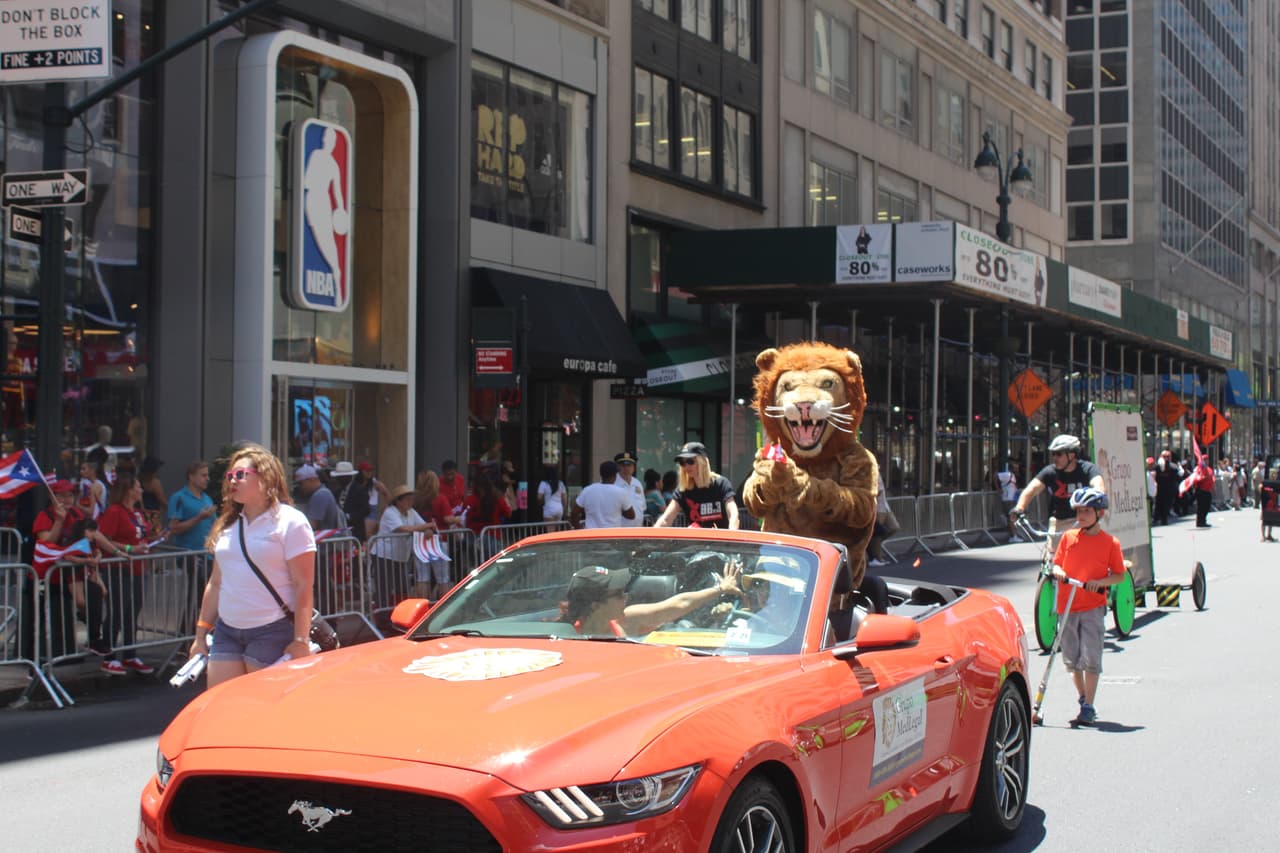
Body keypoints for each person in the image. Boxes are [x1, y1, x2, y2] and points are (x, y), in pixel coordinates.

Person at [189, 444, 316, 689]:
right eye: (229, 476)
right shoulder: (227, 524)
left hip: (272, 630)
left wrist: (300, 639)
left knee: (263, 709)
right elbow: (215, 583)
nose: (232, 481)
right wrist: (200, 635)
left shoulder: (291, 522)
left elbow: (304, 585)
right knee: (221, 707)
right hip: (227, 631)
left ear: (265, 477)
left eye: (240, 475)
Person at [1050, 487, 1127, 726]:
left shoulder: (1110, 543)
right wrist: (1059, 572)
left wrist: (1099, 582)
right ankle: (1082, 696)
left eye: (1086, 511)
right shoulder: (1068, 538)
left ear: (1099, 514)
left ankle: (1089, 705)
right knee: (1071, 658)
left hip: (1093, 606)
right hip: (1068, 604)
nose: (1081, 515)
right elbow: (1055, 565)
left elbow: (1119, 575)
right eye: (1079, 511)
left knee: (1091, 657)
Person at [563, 561, 742, 636]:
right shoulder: (563, 636)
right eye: (618, 593)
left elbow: (679, 604)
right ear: (595, 605)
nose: (626, 597)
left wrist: (720, 588)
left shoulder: (626, 619)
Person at [97, 472, 156, 675]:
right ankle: (109, 656)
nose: (141, 490)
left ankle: (130, 654)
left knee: (132, 611)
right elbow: (103, 538)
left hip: (137, 569)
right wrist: (129, 550)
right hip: (117, 569)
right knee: (117, 611)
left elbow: (142, 534)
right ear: (129, 490)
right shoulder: (115, 511)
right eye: (138, 487)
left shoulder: (136, 512)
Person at [1009, 434, 1105, 527]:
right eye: (1053, 454)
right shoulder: (1050, 472)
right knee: (1052, 543)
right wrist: (1019, 508)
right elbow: (1031, 489)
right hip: (1060, 522)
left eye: (1059, 454)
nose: (1055, 458)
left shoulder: (1087, 469)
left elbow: (1098, 485)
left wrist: (1098, 498)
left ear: (1071, 455)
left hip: (1084, 522)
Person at [371, 483, 437, 605]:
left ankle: (396, 611)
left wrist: (428, 530)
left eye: (411, 499)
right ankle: (381, 616)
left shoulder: (411, 512)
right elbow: (403, 528)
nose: (411, 502)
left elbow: (421, 524)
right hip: (384, 555)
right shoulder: (390, 512)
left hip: (401, 556)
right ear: (399, 501)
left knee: (402, 587)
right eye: (408, 499)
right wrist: (427, 526)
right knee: (384, 588)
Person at [652, 442, 740, 529]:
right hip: (697, 542)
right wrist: (651, 537)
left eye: (690, 461)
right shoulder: (683, 490)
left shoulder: (721, 484)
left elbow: (733, 514)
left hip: (720, 541)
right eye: (682, 463)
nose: (686, 466)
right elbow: (666, 520)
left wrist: (731, 533)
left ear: (702, 462)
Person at [573, 460, 636, 529]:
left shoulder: (588, 490)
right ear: (615, 475)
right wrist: (619, 509)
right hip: (611, 535)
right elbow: (631, 515)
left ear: (601, 474)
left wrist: (579, 530)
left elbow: (574, 513)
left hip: (591, 535)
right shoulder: (621, 492)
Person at [463, 474, 512, 558]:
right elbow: (508, 513)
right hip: (492, 537)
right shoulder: (497, 498)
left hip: (473, 537)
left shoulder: (469, 500)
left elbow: (463, 515)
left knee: (477, 565)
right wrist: (506, 498)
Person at [341, 461, 389, 542]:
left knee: (367, 535)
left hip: (371, 509)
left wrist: (387, 507)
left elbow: (386, 493)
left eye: (370, 470)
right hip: (359, 509)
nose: (369, 473)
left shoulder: (374, 483)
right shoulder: (355, 485)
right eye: (366, 471)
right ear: (361, 472)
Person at [295, 464, 344, 530]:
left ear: (311, 480)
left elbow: (311, 526)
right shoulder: (321, 493)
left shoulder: (320, 495)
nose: (300, 487)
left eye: (301, 483)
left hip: (325, 538)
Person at [613, 451, 645, 528]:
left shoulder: (637, 483)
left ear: (633, 467)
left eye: (629, 465)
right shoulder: (613, 483)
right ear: (618, 467)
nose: (626, 468)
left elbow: (642, 507)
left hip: (637, 530)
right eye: (623, 465)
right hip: (619, 530)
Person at [138, 456, 167, 532]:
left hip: (139, 514)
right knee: (154, 539)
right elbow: (163, 501)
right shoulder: (154, 482)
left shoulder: (137, 480)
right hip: (152, 516)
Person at [1152, 450, 1180, 525]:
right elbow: (1154, 476)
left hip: (1169, 490)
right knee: (1158, 504)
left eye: (1168, 457)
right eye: (1164, 457)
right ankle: (1156, 518)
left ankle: (1164, 519)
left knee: (1167, 505)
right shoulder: (1157, 466)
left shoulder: (1173, 467)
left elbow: (1176, 477)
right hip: (1160, 490)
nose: (1166, 458)